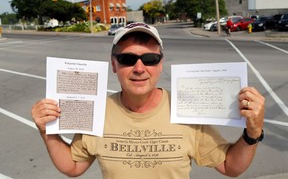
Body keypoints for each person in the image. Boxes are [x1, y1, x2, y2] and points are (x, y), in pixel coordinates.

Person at [31, 22, 265, 179]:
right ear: (114, 64)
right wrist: (47, 131)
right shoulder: (97, 111)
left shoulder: (187, 109)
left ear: (161, 64)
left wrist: (252, 133)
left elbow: (229, 166)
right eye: (127, 58)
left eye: (150, 59)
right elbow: (73, 166)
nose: (139, 68)